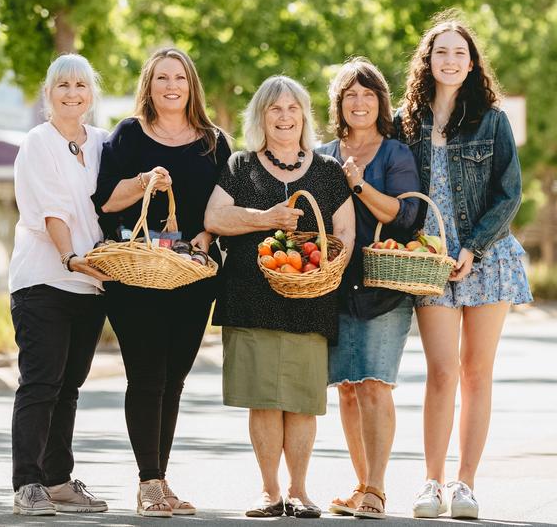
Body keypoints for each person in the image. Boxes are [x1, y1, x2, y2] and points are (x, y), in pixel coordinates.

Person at [395, 19, 532, 520]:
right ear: (427, 62)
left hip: (488, 257)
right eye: (440, 52)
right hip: (430, 263)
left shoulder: (492, 120)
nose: (450, 60)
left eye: (459, 53)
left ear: (471, 63)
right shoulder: (404, 122)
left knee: (477, 373)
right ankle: (430, 482)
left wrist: (473, 246)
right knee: (441, 372)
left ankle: (465, 484)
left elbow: (509, 192)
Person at [204, 75, 355, 519]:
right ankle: (270, 492)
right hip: (251, 298)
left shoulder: (327, 172)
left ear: (304, 116)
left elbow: (345, 232)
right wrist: (264, 218)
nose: (285, 117)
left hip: (311, 299)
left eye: (292, 109)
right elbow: (215, 217)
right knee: (264, 399)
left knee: (302, 400)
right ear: (261, 117)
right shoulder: (239, 166)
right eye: (275, 109)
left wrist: (331, 268)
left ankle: (300, 490)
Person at [92, 47, 230, 517]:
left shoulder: (214, 142)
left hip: (192, 275)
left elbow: (223, 209)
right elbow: (106, 202)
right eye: (162, 78)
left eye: (180, 78)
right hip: (137, 274)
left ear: (192, 86)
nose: (172, 86)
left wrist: (206, 235)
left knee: (174, 380)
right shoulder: (129, 135)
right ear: (148, 86)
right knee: (147, 375)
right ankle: (147, 481)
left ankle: (162, 480)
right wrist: (142, 181)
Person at [317, 58, 420, 519]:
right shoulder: (322, 153)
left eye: (368, 94)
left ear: (381, 101)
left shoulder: (395, 153)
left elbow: (404, 216)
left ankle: (377, 489)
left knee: (375, 385)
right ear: (339, 103)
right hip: (334, 283)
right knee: (346, 388)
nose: (359, 102)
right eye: (350, 95)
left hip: (383, 281)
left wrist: (357, 185)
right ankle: (360, 484)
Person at [9, 53, 110, 516]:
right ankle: (27, 483)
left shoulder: (104, 143)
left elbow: (114, 202)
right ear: (49, 94)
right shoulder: (38, 142)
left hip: (90, 285)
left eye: (81, 85)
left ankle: (58, 480)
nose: (72, 93)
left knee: (68, 387)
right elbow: (52, 210)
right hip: (45, 279)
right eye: (63, 85)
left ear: (92, 93)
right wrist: (71, 258)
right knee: (41, 383)